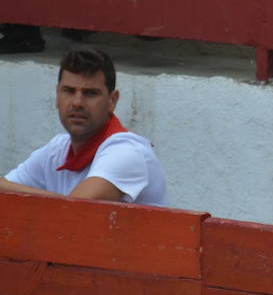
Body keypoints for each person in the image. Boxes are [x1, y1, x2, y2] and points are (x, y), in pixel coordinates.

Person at [1, 47, 167, 206]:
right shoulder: (57, 149)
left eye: (91, 93)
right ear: (57, 96)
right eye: (69, 91)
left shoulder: (127, 151)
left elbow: (76, 210)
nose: (77, 102)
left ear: (112, 101)